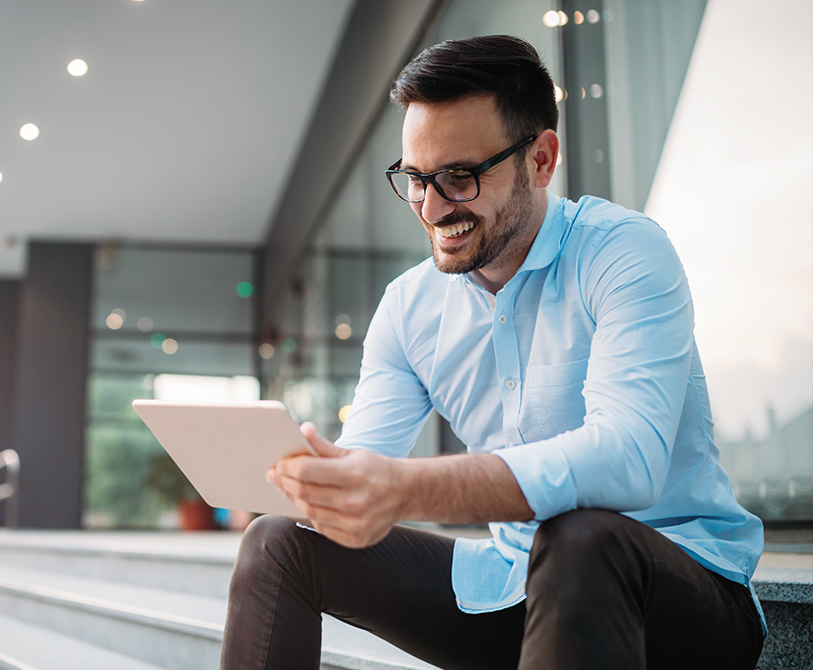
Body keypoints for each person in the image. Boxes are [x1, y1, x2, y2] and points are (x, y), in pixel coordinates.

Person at [220, 35, 765, 670]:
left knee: (582, 534)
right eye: (415, 179)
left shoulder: (623, 252)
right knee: (279, 542)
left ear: (541, 157)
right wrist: (321, 485)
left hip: (679, 595)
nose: (430, 207)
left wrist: (402, 489)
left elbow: (628, 461)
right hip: (515, 586)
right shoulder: (408, 308)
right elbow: (366, 467)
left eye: (458, 177)